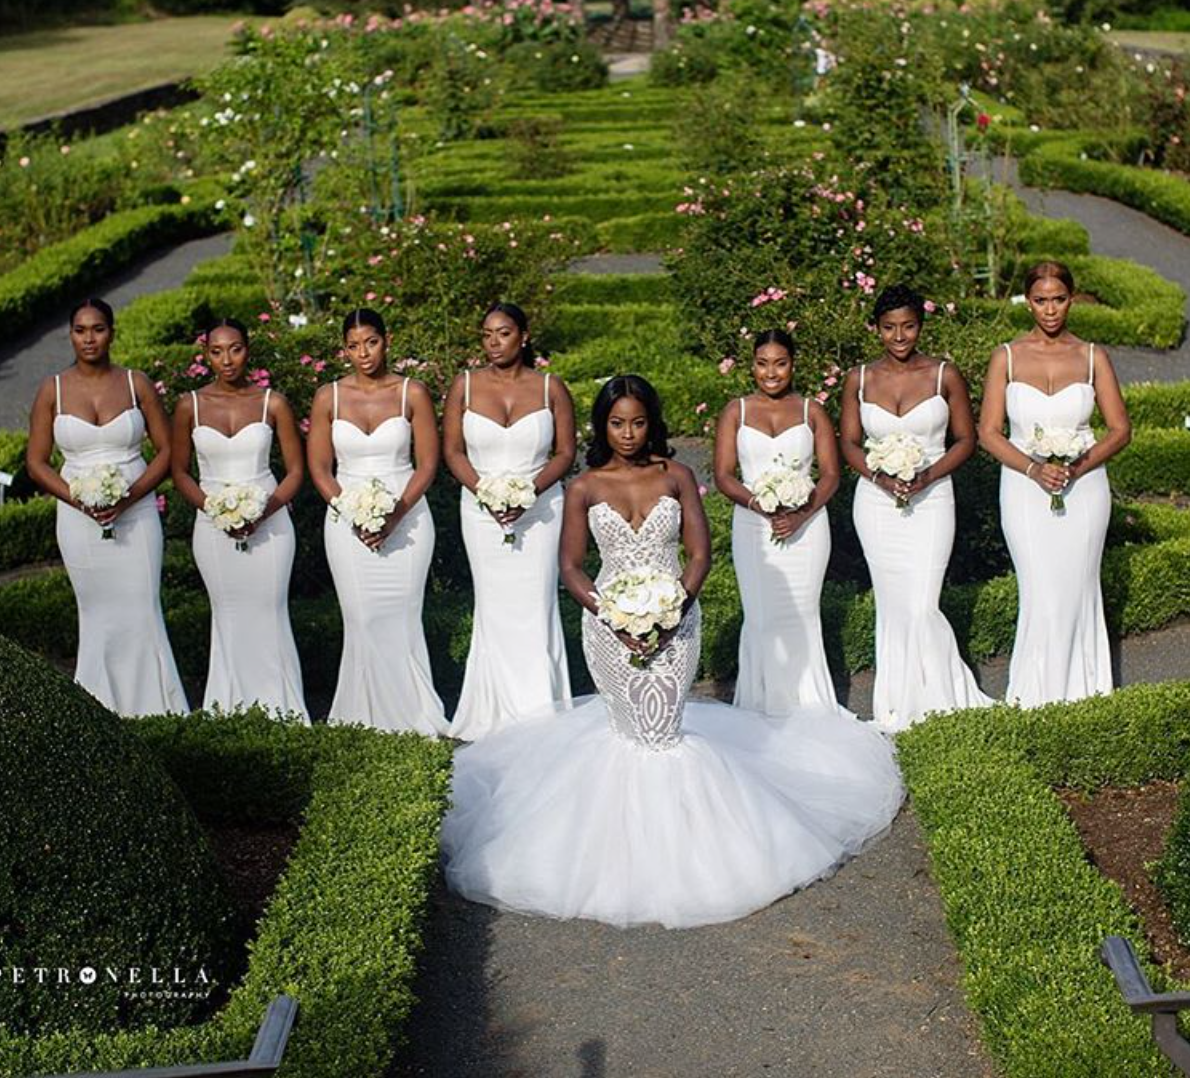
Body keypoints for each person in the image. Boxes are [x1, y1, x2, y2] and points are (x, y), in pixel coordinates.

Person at [441, 375, 903, 929]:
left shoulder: (677, 476)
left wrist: (671, 610)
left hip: (676, 622)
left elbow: (700, 554)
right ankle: (616, 853)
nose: (628, 433)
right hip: (607, 627)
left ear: (651, 422)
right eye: (617, 423)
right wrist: (613, 614)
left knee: (663, 733)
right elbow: (570, 567)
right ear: (603, 426)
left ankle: (690, 852)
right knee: (627, 733)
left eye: (637, 422)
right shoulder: (585, 487)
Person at [839, 284, 992, 732]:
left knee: (923, 601)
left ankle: (939, 695)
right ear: (876, 329)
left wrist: (928, 474)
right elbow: (848, 442)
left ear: (920, 326)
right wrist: (879, 476)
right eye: (889, 328)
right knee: (892, 602)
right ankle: (895, 703)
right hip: (875, 501)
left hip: (933, 496)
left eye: (908, 326)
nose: (899, 336)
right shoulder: (860, 379)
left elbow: (967, 439)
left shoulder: (945, 374)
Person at [978, 261, 1130, 707]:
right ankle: (1034, 696)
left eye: (1058, 299)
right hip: (1024, 488)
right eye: (1041, 300)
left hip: (1084, 489)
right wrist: (1033, 469)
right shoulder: (1004, 356)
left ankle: (1086, 693)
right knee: (1041, 587)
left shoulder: (1092, 356)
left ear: (1071, 299)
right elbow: (989, 431)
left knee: (1080, 585)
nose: (1049, 309)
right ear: (1028, 301)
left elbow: (1120, 429)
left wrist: (1078, 467)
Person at [25, 298, 188, 716]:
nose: (89, 338)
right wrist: (77, 498)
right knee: (95, 612)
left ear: (112, 332)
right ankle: (98, 712)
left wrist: (130, 497)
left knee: (141, 606)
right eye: (80, 330)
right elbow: (36, 461)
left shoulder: (137, 384)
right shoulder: (52, 390)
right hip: (78, 520)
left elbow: (168, 450)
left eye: (97, 329)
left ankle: (158, 710)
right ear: (71, 335)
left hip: (137, 513)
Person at [307, 308, 446, 735]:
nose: (363, 353)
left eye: (371, 342)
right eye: (353, 345)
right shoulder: (327, 396)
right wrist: (352, 513)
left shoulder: (413, 393)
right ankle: (362, 716)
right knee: (361, 618)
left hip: (407, 518)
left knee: (403, 615)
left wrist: (395, 514)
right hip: (346, 522)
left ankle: (413, 714)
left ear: (387, 340)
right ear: (343, 349)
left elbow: (428, 464)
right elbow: (319, 468)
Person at [442, 302, 575, 740]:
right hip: (480, 512)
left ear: (524, 335)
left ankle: (541, 705)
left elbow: (565, 453)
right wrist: (486, 492)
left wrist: (529, 492)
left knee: (535, 602)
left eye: (502, 333)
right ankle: (492, 708)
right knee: (494, 604)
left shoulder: (551, 388)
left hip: (540, 511)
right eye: (486, 334)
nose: (493, 343)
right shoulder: (463, 386)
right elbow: (453, 453)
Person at [171, 318, 308, 720]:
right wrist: (215, 510)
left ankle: (283, 709)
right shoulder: (188, 406)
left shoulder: (273, 403)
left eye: (235, 349)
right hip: (211, 527)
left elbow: (296, 472)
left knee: (269, 611)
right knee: (228, 613)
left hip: (272, 523)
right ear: (205, 355)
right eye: (216, 351)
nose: (227, 359)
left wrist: (262, 510)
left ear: (248, 350)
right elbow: (180, 472)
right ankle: (230, 711)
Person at [713, 329, 846, 716]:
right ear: (752, 365)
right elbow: (723, 475)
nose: (771, 373)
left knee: (803, 613)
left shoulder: (812, 411)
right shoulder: (734, 411)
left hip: (807, 527)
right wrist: (761, 505)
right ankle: (762, 705)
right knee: (760, 615)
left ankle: (808, 703)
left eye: (780, 363)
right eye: (762, 363)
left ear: (793, 365)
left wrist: (801, 514)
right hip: (754, 526)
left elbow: (831, 475)